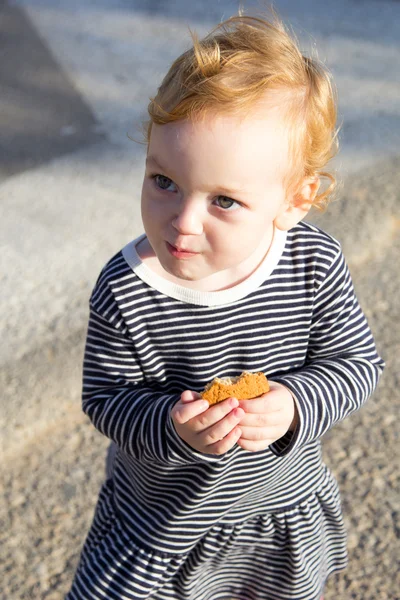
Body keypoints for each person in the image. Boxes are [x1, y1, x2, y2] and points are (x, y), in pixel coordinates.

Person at [66, 11, 384, 600]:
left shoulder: (311, 263)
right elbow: (105, 399)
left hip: (276, 505)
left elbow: (358, 365)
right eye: (164, 181)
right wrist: (172, 427)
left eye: (225, 201)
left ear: (295, 200)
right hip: (162, 523)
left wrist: (294, 405)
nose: (182, 221)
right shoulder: (127, 287)